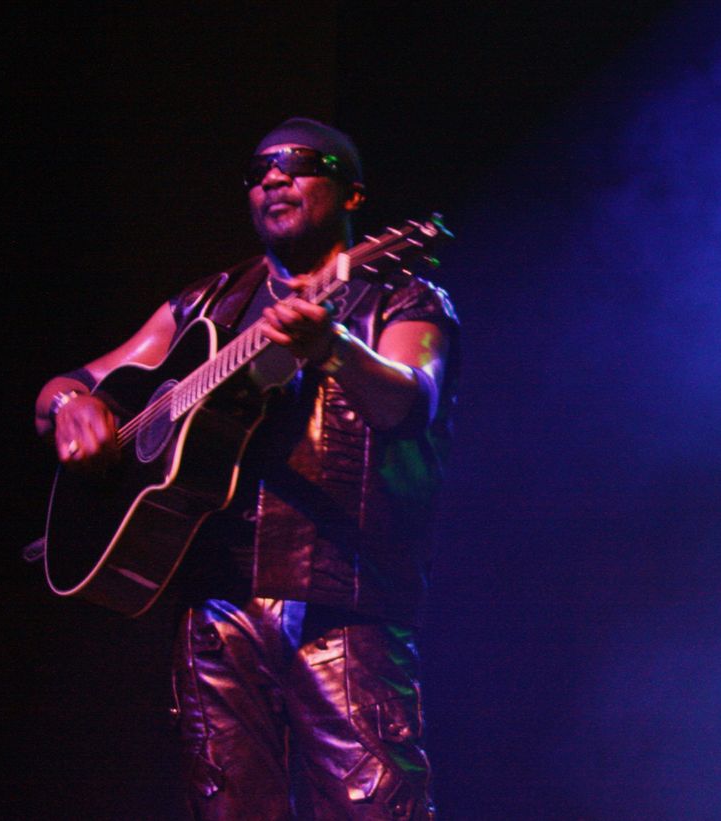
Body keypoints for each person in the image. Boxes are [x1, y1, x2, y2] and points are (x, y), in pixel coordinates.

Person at [34, 117, 456, 820]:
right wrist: (71, 404)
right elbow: (68, 386)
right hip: (213, 606)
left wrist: (334, 348)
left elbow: (411, 403)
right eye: (259, 170)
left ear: (353, 194)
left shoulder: (401, 295)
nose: (274, 177)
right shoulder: (206, 303)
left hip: (340, 607)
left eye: (299, 163)